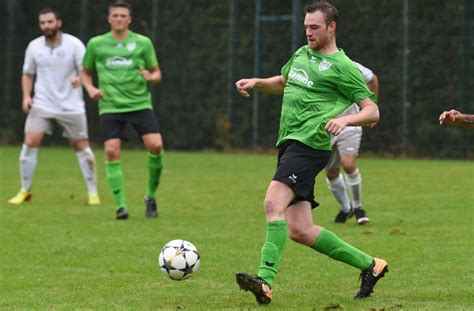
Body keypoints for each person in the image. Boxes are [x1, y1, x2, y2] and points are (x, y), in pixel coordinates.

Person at [234, 1, 388, 304]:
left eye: (314, 27)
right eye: (306, 27)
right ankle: (372, 265)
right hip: (290, 144)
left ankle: (264, 279)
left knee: (271, 203)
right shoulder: (302, 54)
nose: (309, 32)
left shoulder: (344, 67)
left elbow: (372, 111)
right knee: (300, 230)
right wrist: (257, 82)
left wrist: (345, 118)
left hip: (309, 146)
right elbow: (283, 81)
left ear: (331, 27)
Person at [8, 8, 100, 206]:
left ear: (59, 22)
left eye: (50, 22)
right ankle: (25, 190)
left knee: (81, 146)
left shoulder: (74, 44)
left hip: (71, 105)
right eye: (43, 23)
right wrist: (26, 96)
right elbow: (28, 74)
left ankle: (93, 193)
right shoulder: (34, 47)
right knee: (30, 142)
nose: (46, 26)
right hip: (42, 103)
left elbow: (86, 70)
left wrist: (79, 78)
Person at [81, 0, 163, 220]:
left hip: (139, 104)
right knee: (110, 151)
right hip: (110, 105)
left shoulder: (143, 43)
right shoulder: (96, 44)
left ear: (129, 19)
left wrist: (150, 77)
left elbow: (157, 73)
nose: (119, 19)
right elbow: (85, 72)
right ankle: (120, 206)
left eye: (123, 15)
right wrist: (90, 89)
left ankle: (151, 196)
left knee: (156, 146)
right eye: (115, 15)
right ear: (109, 19)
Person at [325, 63, 379, 224]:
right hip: (327, 127)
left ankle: (358, 207)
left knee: (348, 164)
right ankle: (346, 208)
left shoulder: (350, 65)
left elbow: (373, 79)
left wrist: (371, 108)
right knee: (331, 173)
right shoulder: (315, 66)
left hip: (350, 125)